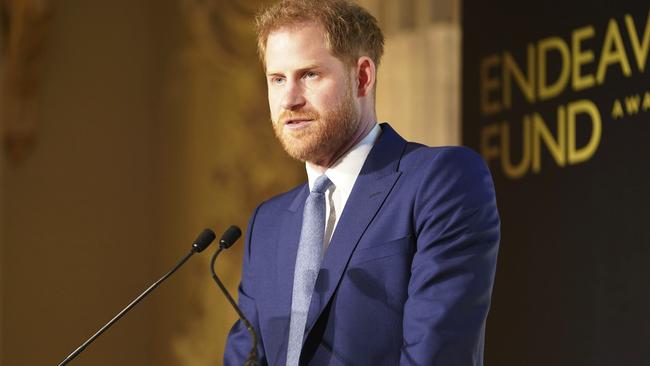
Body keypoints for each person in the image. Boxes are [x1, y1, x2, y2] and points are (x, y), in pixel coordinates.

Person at [224, 0, 500, 365]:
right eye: (277, 79)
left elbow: (435, 355)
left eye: (309, 75)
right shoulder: (267, 224)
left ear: (363, 77)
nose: (288, 99)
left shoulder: (440, 181)